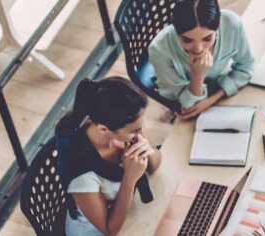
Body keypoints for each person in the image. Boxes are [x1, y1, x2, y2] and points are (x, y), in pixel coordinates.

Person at [55, 77, 163, 235]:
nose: (140, 133)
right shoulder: (81, 172)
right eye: (135, 130)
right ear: (104, 130)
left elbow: (155, 166)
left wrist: (148, 150)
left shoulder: (128, 124)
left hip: (129, 210)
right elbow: (109, 229)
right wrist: (130, 178)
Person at [148, 0, 254, 120]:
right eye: (187, 40)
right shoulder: (159, 50)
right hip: (188, 98)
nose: (198, 49)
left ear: (218, 27)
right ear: (176, 31)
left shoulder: (232, 24)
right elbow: (188, 106)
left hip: (217, 91)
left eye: (207, 38)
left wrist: (212, 99)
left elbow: (246, 68)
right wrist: (197, 76)